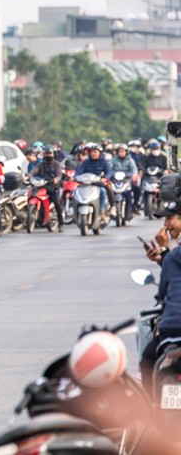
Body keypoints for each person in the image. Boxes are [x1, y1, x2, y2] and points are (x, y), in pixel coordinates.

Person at [140, 199, 181, 397]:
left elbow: (163, 293)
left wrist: (164, 253)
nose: (165, 225)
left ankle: (148, 412)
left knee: (147, 360)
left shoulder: (173, 255)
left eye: (170, 218)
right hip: (172, 331)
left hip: (171, 331)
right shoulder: (173, 251)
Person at [24, 145, 66, 231]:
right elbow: (34, 171)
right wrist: (28, 177)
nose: (48, 155)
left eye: (50, 153)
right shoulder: (41, 164)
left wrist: (56, 179)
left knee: (57, 204)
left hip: (53, 187)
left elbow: (59, 175)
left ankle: (61, 224)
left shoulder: (57, 164)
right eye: (46, 153)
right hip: (42, 186)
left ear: (53, 154)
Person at [75, 143, 113, 213]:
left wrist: (104, 178)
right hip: (86, 183)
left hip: (99, 184)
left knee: (103, 191)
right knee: (75, 191)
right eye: (92, 152)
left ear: (100, 153)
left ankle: (103, 209)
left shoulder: (104, 162)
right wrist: (76, 177)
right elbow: (79, 171)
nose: (94, 154)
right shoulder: (86, 162)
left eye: (95, 152)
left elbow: (109, 172)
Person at [110, 143, 138, 220]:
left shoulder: (130, 160)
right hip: (115, 181)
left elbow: (134, 169)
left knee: (137, 189)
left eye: (123, 151)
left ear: (126, 152)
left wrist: (134, 175)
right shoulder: (113, 160)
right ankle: (110, 208)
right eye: (119, 151)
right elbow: (109, 169)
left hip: (127, 180)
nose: (121, 153)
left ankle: (134, 206)